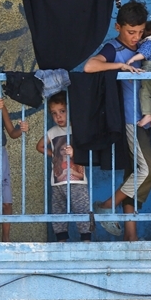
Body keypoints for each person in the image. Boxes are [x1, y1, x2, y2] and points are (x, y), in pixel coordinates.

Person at [84, 1, 151, 241]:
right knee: (148, 171)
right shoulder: (113, 48)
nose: (136, 37)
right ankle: (106, 205)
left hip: (143, 120)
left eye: (140, 32)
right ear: (118, 27)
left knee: (133, 175)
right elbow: (90, 66)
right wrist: (120, 66)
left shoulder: (146, 47)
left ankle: (131, 235)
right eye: (130, 32)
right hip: (128, 120)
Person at [36, 93, 92, 242]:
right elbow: (40, 146)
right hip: (57, 182)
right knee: (58, 211)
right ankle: (61, 240)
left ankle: (86, 239)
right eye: (54, 113)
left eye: (62, 111)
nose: (58, 116)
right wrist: (53, 154)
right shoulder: (52, 132)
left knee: (82, 210)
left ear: (70, 110)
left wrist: (75, 152)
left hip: (77, 181)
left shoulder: (78, 129)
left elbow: (88, 148)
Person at [0, 66, 28, 242]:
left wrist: (21, 128)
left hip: (0, 154)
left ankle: (5, 239)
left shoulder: (1, 106)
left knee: (7, 202)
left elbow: (11, 132)